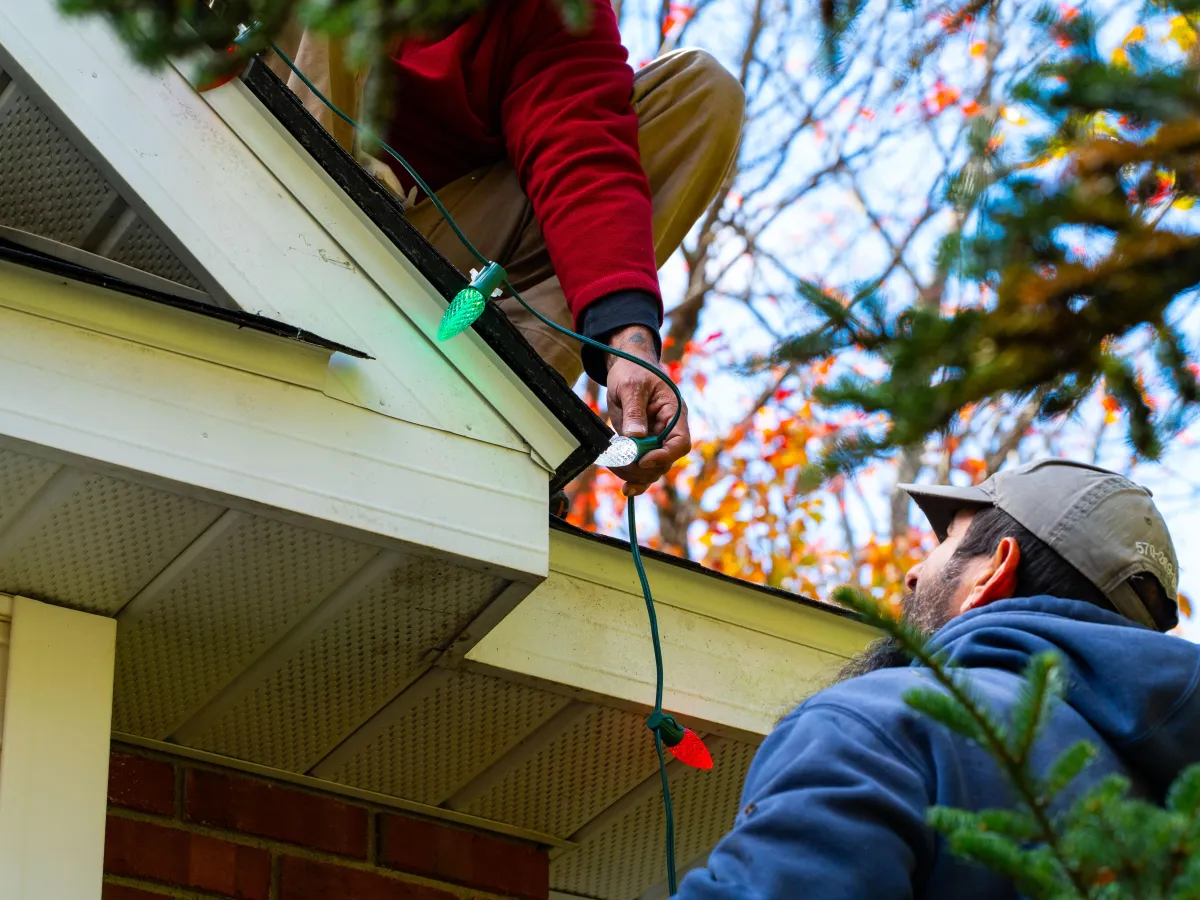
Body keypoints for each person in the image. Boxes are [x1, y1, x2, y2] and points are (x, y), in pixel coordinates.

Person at [266, 0, 745, 496]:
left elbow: (584, 158)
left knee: (704, 92)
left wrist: (630, 349)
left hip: (432, 256)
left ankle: (494, 409)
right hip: (268, 158)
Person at [674, 458, 1197, 898]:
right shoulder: (1180, 812)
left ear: (994, 571)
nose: (913, 573)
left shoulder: (882, 727)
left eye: (948, 539)